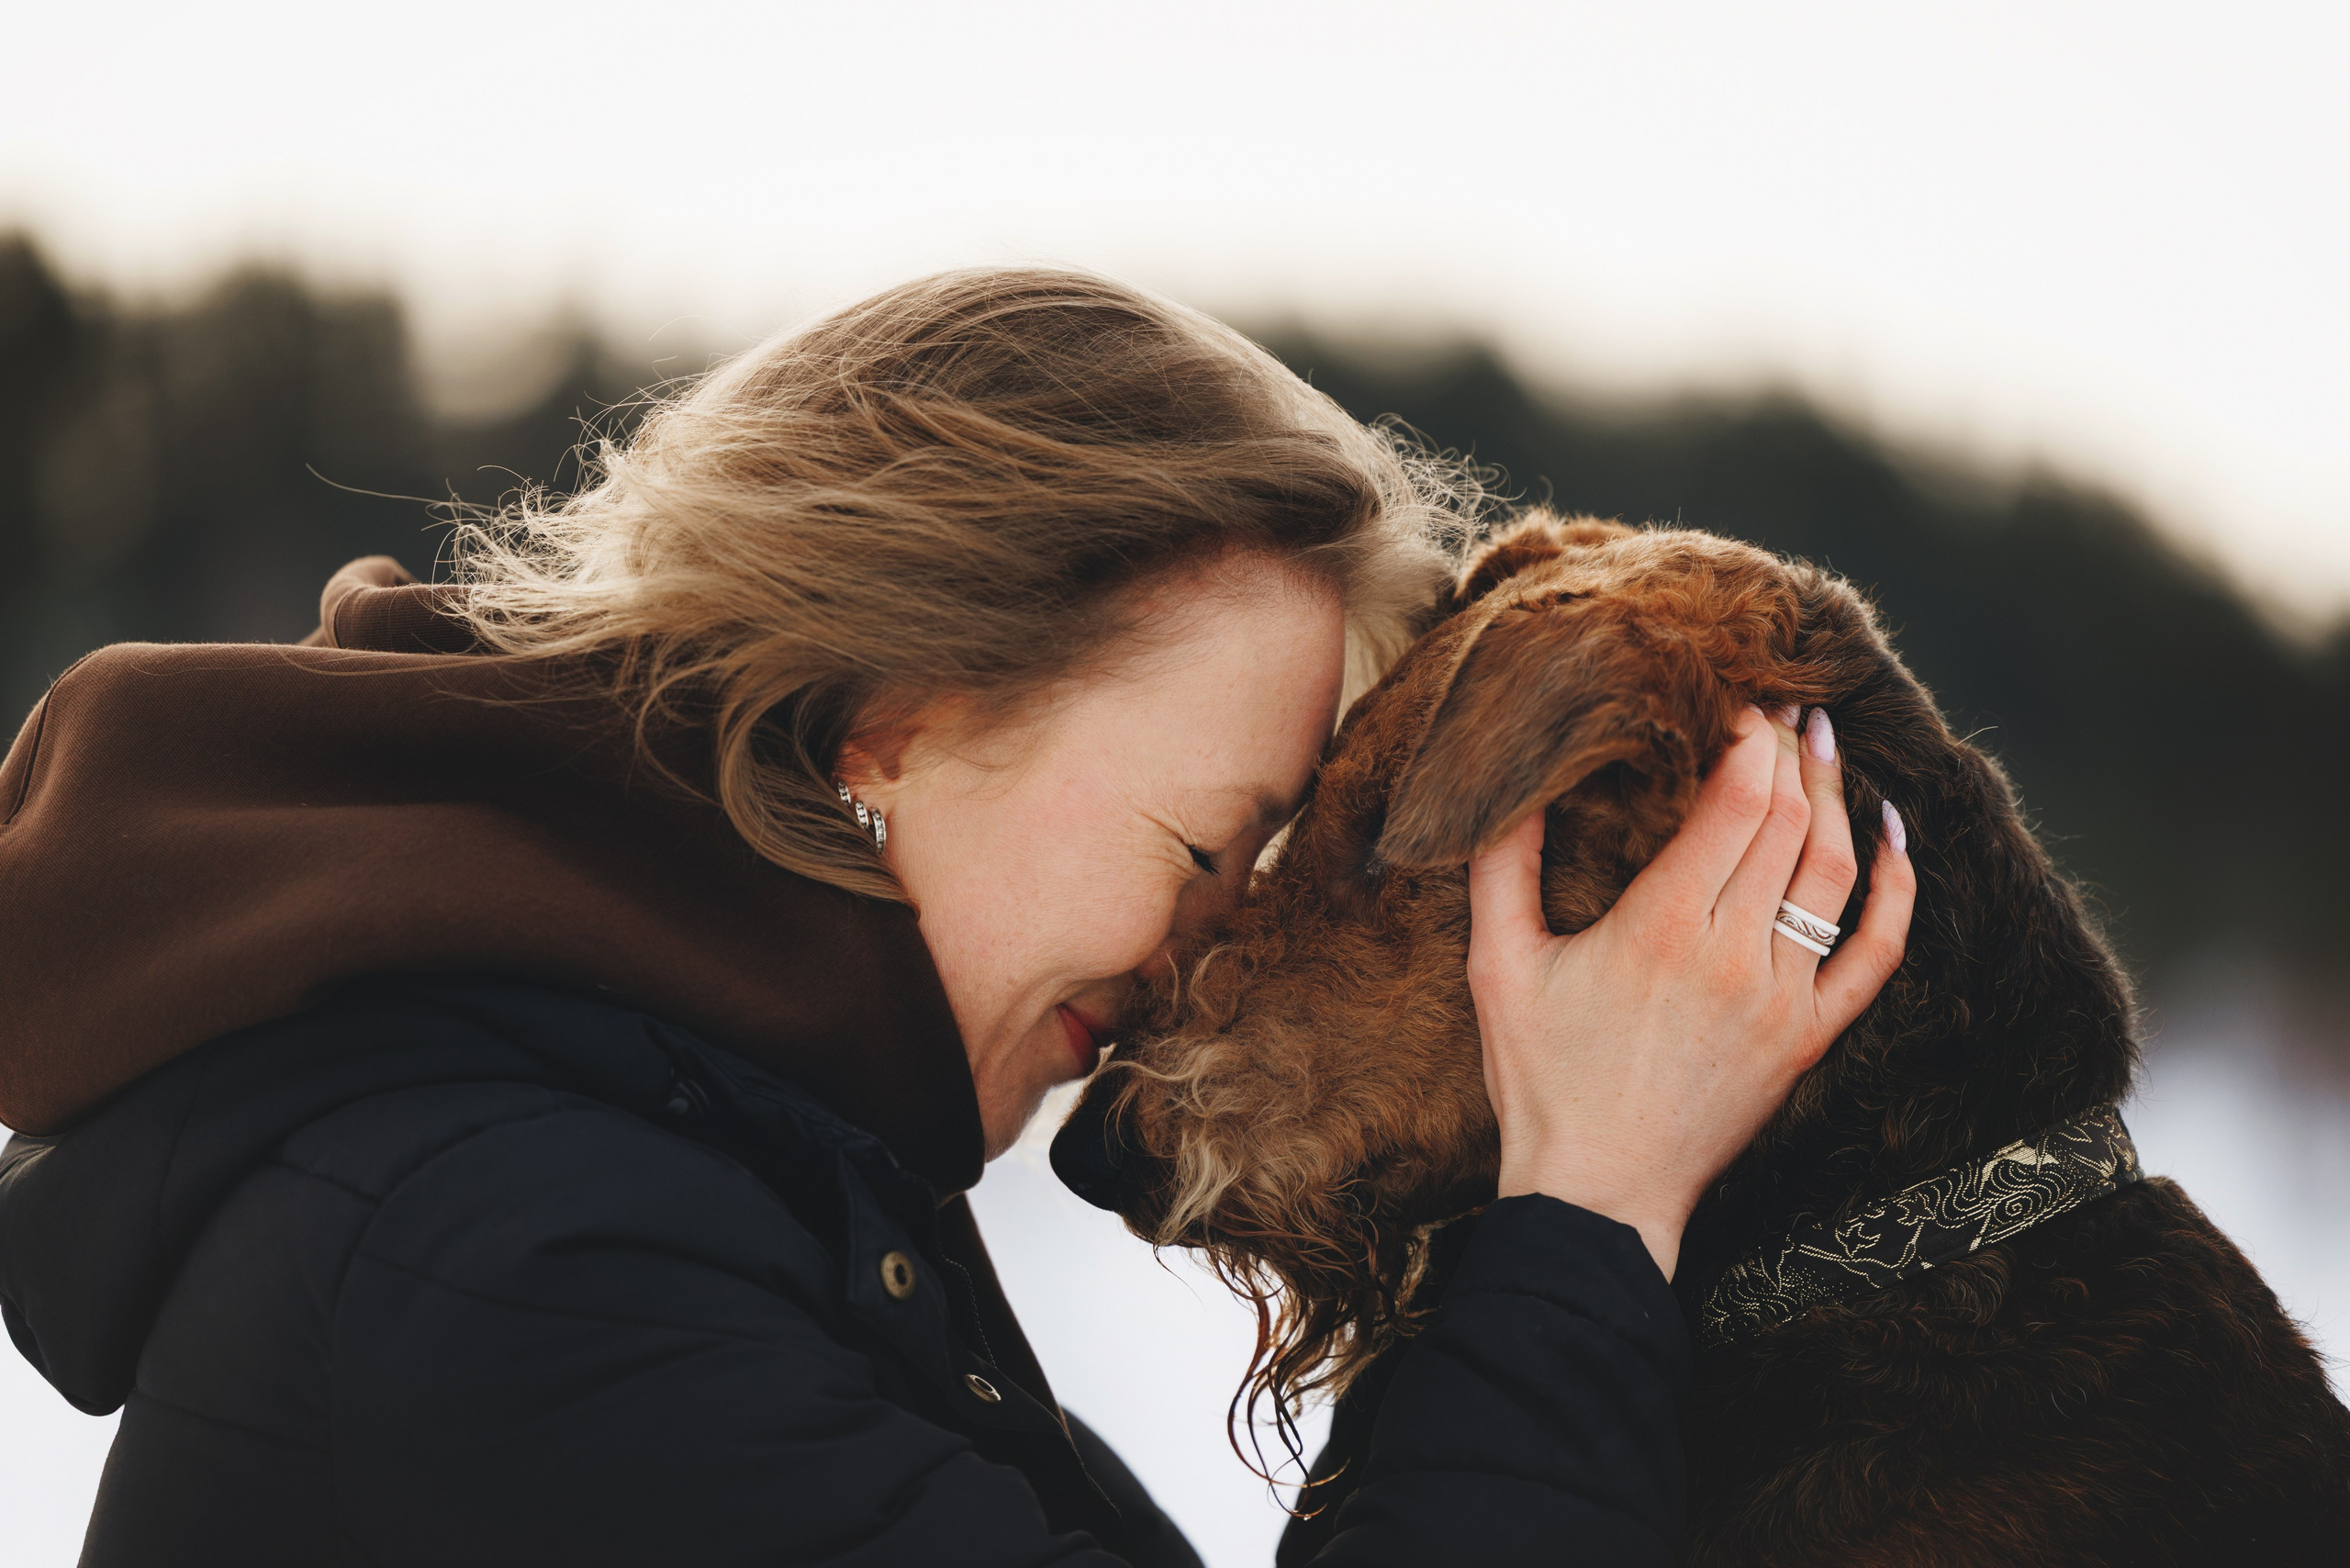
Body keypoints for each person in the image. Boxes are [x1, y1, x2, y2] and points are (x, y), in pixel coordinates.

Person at [0, 269, 1911, 1566]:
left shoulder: (712, 1168)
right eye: (1204, 849)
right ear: (901, 713)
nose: (1200, 964)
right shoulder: (521, 1252)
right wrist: (1579, 1221)